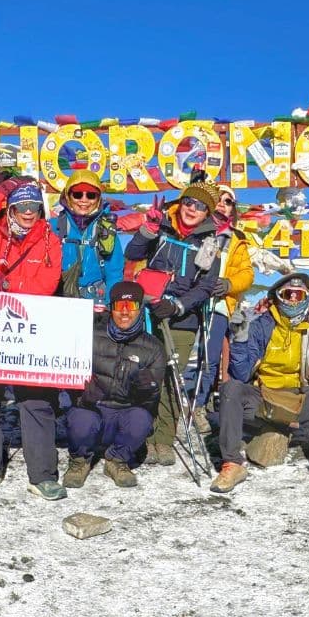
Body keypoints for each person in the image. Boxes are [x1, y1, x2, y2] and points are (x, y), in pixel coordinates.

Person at [0, 176, 65, 498]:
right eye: (21, 205)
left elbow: (47, 284)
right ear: (11, 207)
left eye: (33, 205)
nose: (27, 211)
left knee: (36, 400)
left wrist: (7, 286)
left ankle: (43, 476)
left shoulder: (50, 240)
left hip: (31, 329)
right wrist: (4, 189)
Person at [212, 273, 309, 493]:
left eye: (299, 295)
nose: (293, 300)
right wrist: (240, 341)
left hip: (300, 398)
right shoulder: (258, 325)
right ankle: (233, 463)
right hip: (263, 399)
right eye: (287, 294)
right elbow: (242, 373)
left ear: (308, 298)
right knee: (231, 388)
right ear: (276, 297)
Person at [124, 179, 222, 466]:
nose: (192, 209)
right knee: (142, 375)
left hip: (181, 319)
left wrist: (178, 305)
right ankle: (143, 434)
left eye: (201, 206)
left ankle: (163, 440)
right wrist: (148, 230)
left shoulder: (209, 242)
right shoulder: (162, 226)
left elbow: (204, 286)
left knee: (170, 378)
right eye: (189, 202)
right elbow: (133, 253)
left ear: (208, 213)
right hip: (148, 310)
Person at [63, 281, 166, 489]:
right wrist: (82, 395)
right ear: (111, 307)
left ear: (140, 309)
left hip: (124, 415)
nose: (125, 313)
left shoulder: (154, 347)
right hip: (94, 411)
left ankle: (117, 460)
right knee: (80, 418)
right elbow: (66, 381)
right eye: (120, 306)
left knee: (141, 420)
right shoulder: (90, 335)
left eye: (131, 307)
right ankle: (79, 461)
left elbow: (151, 405)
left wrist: (147, 391)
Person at [191, 182, 255, 435]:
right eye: (218, 198)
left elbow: (247, 275)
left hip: (217, 305)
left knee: (209, 357)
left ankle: (199, 404)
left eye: (228, 201)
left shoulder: (238, 240)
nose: (222, 203)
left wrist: (229, 284)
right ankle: (175, 406)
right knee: (183, 355)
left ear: (233, 209)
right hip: (188, 300)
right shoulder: (191, 228)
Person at [52, 168, 124, 306]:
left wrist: (109, 306)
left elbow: (114, 274)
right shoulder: (53, 227)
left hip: (95, 301)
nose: (84, 200)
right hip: (59, 300)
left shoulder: (107, 230)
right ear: (68, 196)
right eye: (77, 194)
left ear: (98, 199)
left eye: (91, 195)